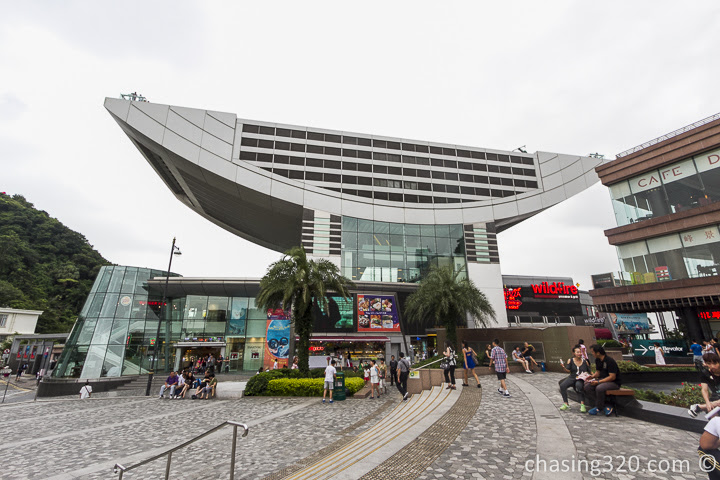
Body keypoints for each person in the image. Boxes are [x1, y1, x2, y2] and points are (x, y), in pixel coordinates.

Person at [584, 345, 622, 416]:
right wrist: (592, 377)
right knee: (587, 387)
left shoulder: (610, 361)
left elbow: (612, 377)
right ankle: (605, 406)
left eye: (593, 352)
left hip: (613, 382)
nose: (592, 353)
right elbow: (598, 373)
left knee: (599, 388)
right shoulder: (598, 360)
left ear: (598, 353)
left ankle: (599, 407)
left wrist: (598, 382)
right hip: (602, 380)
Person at [559, 345, 591, 412]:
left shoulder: (585, 361)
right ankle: (566, 404)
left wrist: (593, 377)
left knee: (578, 386)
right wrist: (563, 367)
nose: (579, 353)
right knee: (562, 385)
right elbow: (568, 371)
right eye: (577, 352)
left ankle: (582, 404)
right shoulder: (570, 360)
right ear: (574, 353)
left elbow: (590, 371)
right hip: (572, 377)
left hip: (581, 378)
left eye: (580, 352)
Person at [689, 352, 720, 418]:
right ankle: (701, 407)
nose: (712, 366)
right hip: (715, 397)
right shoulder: (705, 374)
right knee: (713, 416)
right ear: (705, 363)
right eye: (709, 364)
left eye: (715, 363)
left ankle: (700, 407)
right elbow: (704, 389)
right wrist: (707, 403)